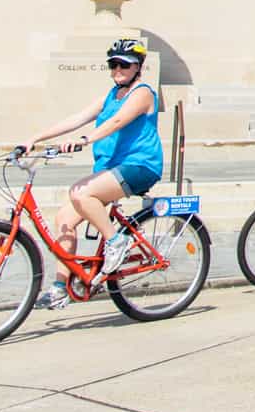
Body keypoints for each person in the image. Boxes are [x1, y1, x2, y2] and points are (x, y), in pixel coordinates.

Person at [21, 37, 163, 309]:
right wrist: (36, 138)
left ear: (138, 67)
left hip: (139, 166)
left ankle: (116, 241)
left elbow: (118, 121)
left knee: (81, 192)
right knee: (64, 218)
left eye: (124, 64)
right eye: (113, 64)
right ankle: (61, 287)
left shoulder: (143, 92)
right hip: (110, 169)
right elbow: (77, 117)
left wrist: (86, 140)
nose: (118, 69)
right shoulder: (111, 95)